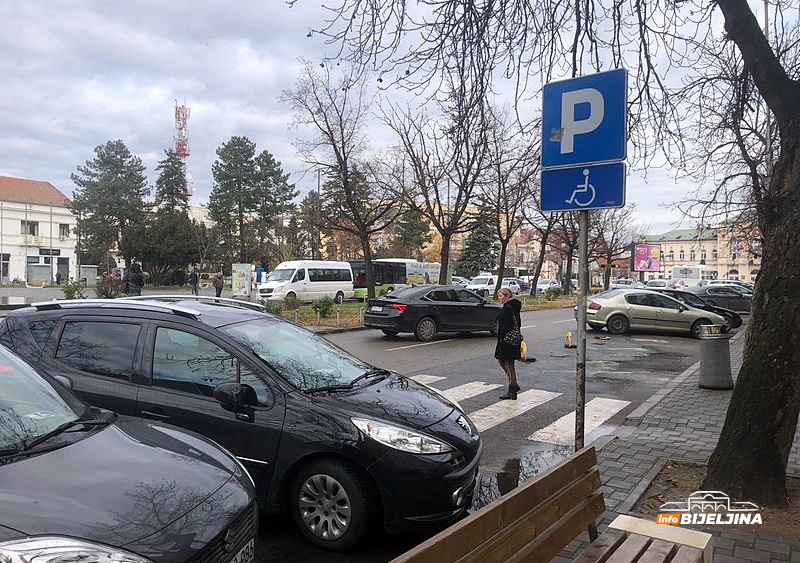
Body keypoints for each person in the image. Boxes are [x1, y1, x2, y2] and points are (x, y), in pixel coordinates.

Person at [495, 287, 522, 400]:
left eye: (501, 296)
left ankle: (512, 387)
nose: (499, 298)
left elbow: (507, 324)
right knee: (503, 361)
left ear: (507, 296)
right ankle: (513, 385)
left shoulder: (507, 308)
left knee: (508, 363)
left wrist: (501, 335)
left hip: (507, 339)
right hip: (511, 338)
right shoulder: (513, 307)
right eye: (499, 296)